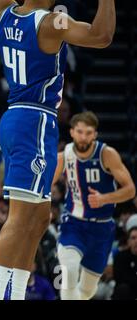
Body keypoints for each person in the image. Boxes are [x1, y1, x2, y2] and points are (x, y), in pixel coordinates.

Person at [0, 0, 116, 300]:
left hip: (19, 118)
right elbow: (101, 36)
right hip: (34, 121)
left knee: (38, 218)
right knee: (19, 218)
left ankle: (14, 293)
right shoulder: (50, 23)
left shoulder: (1, 12)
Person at [52, 112, 135, 300]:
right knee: (69, 271)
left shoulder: (107, 154)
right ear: (72, 132)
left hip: (102, 227)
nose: (83, 137)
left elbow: (130, 190)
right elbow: (46, 188)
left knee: (88, 291)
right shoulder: (63, 156)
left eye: (88, 132)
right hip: (73, 223)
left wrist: (105, 198)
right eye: (80, 132)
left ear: (95, 134)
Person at [112, 218, 137, 300]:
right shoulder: (120, 256)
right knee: (123, 288)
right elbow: (119, 278)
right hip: (127, 292)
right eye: (133, 238)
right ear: (128, 241)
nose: (136, 241)